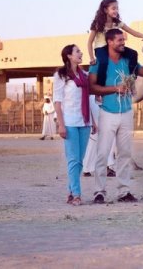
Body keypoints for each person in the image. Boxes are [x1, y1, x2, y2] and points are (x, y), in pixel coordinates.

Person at [88, 29, 143, 204]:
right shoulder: (99, 61)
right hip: (107, 112)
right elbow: (92, 88)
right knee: (102, 154)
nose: (123, 43)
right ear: (110, 42)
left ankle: (124, 191)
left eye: (123, 40)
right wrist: (115, 89)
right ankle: (99, 191)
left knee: (125, 154)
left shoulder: (129, 60)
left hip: (126, 112)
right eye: (119, 40)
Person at [53, 44, 94, 206]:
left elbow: (90, 99)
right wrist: (61, 125)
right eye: (77, 51)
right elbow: (57, 102)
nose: (81, 53)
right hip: (69, 122)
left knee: (80, 161)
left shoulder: (85, 74)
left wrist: (93, 121)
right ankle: (77, 194)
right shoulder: (60, 75)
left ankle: (71, 191)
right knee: (73, 160)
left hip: (85, 122)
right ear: (69, 56)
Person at [87, 0, 143, 89]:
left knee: (133, 54)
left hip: (113, 47)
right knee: (104, 62)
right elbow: (89, 42)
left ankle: (131, 79)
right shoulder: (98, 23)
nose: (116, 10)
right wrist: (92, 57)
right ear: (105, 10)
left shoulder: (117, 23)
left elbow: (132, 31)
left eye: (117, 8)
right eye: (113, 8)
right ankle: (100, 86)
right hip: (101, 48)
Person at [82, 95, 116, 177]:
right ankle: (86, 169)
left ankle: (108, 168)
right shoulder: (89, 98)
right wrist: (91, 123)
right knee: (92, 146)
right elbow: (87, 110)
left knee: (109, 145)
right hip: (94, 123)